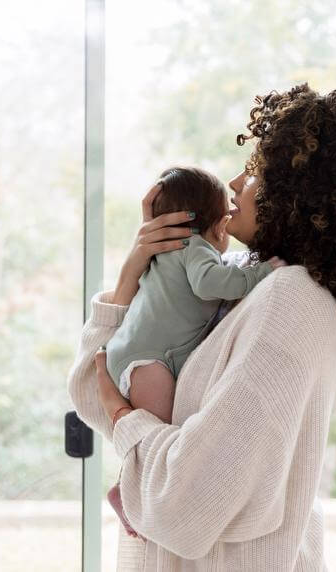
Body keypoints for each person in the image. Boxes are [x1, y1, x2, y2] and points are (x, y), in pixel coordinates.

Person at [66, 83, 336, 570]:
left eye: (258, 171)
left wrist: (125, 419)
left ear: (304, 194)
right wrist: (135, 276)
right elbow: (91, 394)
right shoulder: (242, 287)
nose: (236, 182)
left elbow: (186, 504)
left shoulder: (293, 301)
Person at [102, 166, 286, 539]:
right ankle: (129, 491)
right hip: (147, 360)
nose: (237, 183)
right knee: (161, 442)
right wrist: (261, 273)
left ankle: (130, 489)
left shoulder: (176, 252)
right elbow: (209, 284)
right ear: (217, 225)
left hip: (140, 354)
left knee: (159, 438)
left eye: (251, 176)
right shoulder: (196, 249)